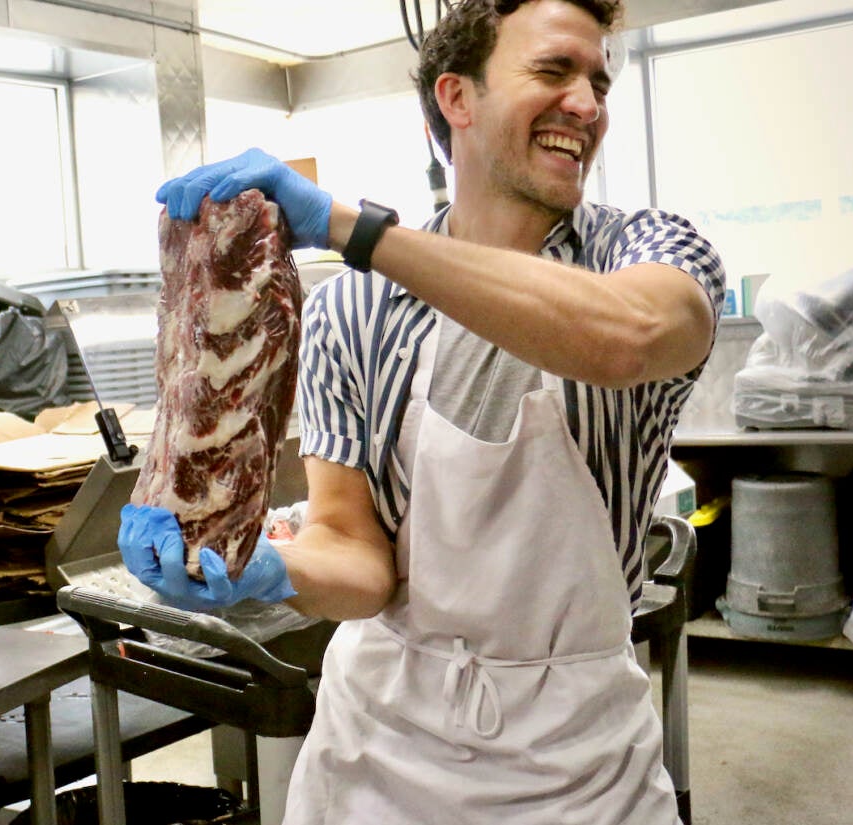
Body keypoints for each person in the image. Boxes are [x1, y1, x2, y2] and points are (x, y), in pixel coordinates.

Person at [119, 0, 725, 821]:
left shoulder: (647, 251)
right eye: (553, 71)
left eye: (598, 82)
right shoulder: (355, 312)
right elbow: (360, 557)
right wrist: (268, 568)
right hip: (382, 753)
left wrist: (354, 230)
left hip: (580, 760)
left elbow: (628, 337)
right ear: (457, 97)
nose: (586, 104)